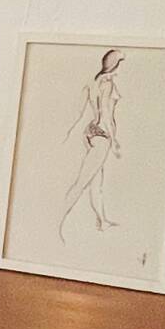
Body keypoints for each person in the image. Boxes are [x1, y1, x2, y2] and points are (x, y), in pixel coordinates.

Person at [59, 48, 124, 242]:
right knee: (82, 182)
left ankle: (102, 221)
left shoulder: (94, 82)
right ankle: (57, 221)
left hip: (90, 133)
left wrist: (70, 131)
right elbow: (107, 114)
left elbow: (80, 110)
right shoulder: (108, 84)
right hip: (102, 137)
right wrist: (114, 141)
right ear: (115, 65)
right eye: (121, 62)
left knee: (96, 183)